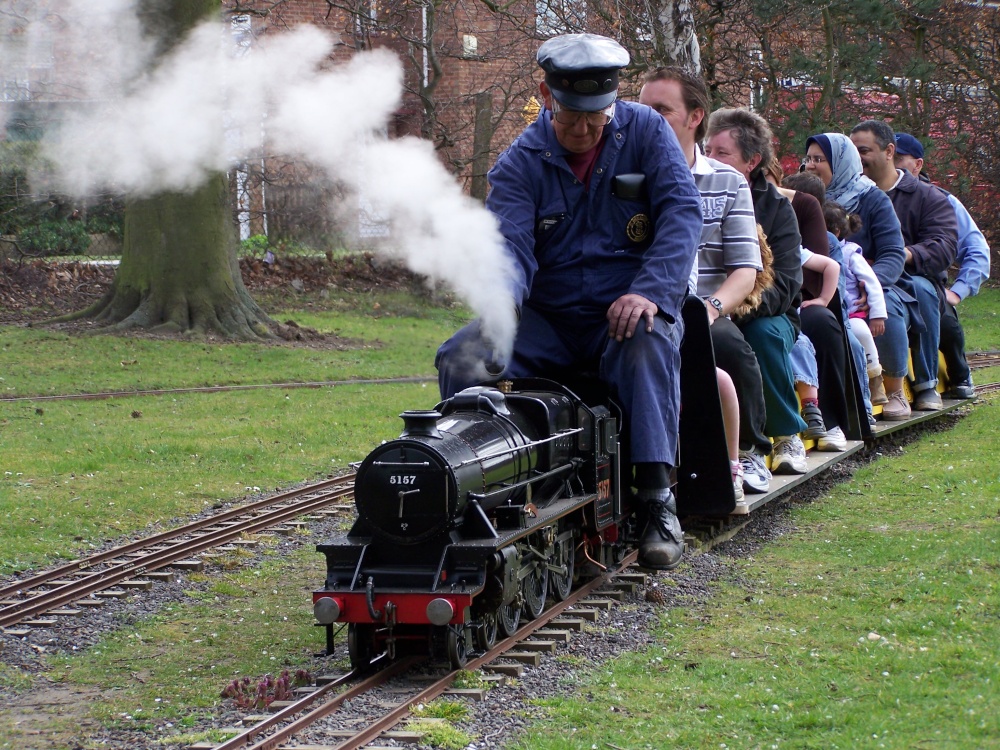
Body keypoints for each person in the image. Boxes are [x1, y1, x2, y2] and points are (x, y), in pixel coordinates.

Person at [436, 34, 702, 569]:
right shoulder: (517, 165)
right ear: (544, 94)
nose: (583, 131)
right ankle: (469, 494)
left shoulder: (648, 132)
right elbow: (510, 247)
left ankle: (656, 501)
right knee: (460, 356)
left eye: (596, 119)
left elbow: (681, 214)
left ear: (614, 101)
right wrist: (501, 308)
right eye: (569, 118)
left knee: (647, 345)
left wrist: (648, 291)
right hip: (548, 319)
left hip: (626, 311)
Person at [638, 66, 765, 502]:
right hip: (647, 300)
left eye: (661, 110)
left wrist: (709, 308)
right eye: (641, 108)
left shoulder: (727, 182)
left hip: (707, 300)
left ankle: (747, 449)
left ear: (695, 116)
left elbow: (745, 271)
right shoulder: (627, 178)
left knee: (726, 349)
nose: (647, 118)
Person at [705, 108, 809, 478]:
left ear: (752, 161)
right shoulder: (699, 191)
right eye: (708, 150)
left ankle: (784, 433)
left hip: (767, 311)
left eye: (722, 153)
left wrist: (737, 306)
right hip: (709, 305)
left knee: (761, 336)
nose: (710, 159)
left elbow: (786, 283)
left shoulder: (778, 208)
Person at [849, 120, 958, 411]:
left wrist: (903, 254)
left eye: (864, 150)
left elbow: (945, 245)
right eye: (852, 150)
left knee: (920, 293)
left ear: (888, 151)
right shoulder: (850, 196)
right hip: (860, 277)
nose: (857, 157)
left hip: (916, 275)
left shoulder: (928, 196)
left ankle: (925, 384)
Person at [803, 132, 912, 420]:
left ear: (840, 162)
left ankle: (895, 389)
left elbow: (893, 252)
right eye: (808, 159)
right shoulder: (804, 197)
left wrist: (867, 282)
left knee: (884, 305)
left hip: (867, 277)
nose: (811, 166)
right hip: (815, 282)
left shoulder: (872, 198)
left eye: (819, 159)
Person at [894, 133, 991, 399]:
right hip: (887, 281)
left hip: (927, 281)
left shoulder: (941, 200)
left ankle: (960, 373)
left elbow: (977, 250)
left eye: (900, 159)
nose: (892, 165)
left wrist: (958, 290)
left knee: (944, 320)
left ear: (918, 165)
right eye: (889, 157)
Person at [824, 200, 887, 411]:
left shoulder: (851, 253)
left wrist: (877, 315)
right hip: (830, 313)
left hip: (852, 313)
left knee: (861, 333)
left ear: (835, 230)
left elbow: (872, 283)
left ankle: (875, 380)